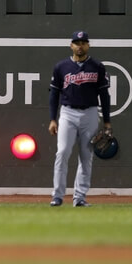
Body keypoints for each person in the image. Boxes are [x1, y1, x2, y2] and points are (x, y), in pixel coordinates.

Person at [48, 30, 112, 207]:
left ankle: (79, 197)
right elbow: (54, 94)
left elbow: (104, 95)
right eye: (77, 42)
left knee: (86, 156)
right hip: (67, 113)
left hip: (90, 113)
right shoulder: (61, 67)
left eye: (83, 42)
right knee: (62, 152)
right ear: (71, 45)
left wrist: (107, 121)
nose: (80, 45)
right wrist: (53, 119)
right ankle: (58, 195)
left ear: (88, 45)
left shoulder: (97, 67)